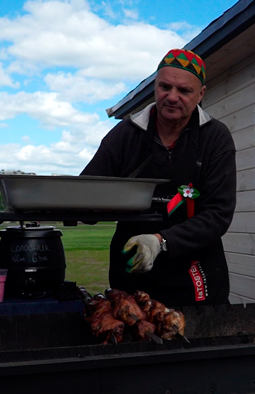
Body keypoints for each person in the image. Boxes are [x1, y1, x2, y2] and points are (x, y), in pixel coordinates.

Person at [81, 49, 236, 306]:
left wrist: (161, 241)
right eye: (165, 86)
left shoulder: (215, 138)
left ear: (201, 94)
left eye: (184, 91)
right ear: (155, 86)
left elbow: (218, 214)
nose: (172, 97)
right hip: (132, 270)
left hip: (195, 272)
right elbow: (88, 194)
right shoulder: (125, 135)